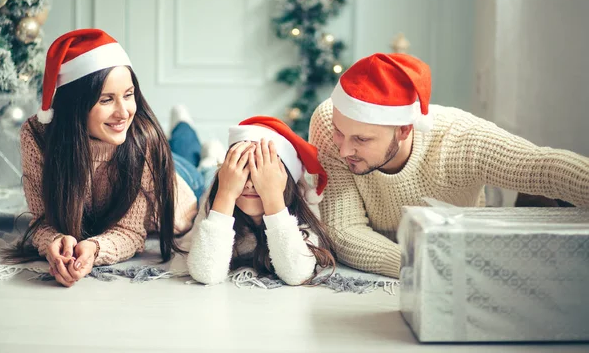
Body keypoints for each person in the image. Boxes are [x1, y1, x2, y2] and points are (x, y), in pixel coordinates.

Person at [309, 52, 589, 278]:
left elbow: (543, 167)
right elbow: (344, 230)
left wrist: (451, 268)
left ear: (405, 130)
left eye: (362, 139)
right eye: (339, 131)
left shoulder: (459, 139)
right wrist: (427, 265)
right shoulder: (326, 122)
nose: (343, 148)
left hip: (463, 255)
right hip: (405, 272)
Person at [6, 29, 205, 287]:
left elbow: (131, 232)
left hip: (179, 180)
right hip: (137, 148)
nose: (123, 112)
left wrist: (94, 249)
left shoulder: (144, 140)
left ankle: (185, 126)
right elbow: (42, 220)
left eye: (129, 94)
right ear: (75, 105)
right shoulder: (38, 136)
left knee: (195, 160)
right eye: (106, 99)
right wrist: (54, 242)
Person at [186, 116, 335, 285]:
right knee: (200, 165)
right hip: (204, 181)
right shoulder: (217, 195)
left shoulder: (303, 206)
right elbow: (206, 273)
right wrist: (226, 194)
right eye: (243, 171)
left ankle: (212, 156)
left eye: (259, 174)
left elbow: (298, 274)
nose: (249, 184)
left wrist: (273, 197)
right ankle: (209, 156)